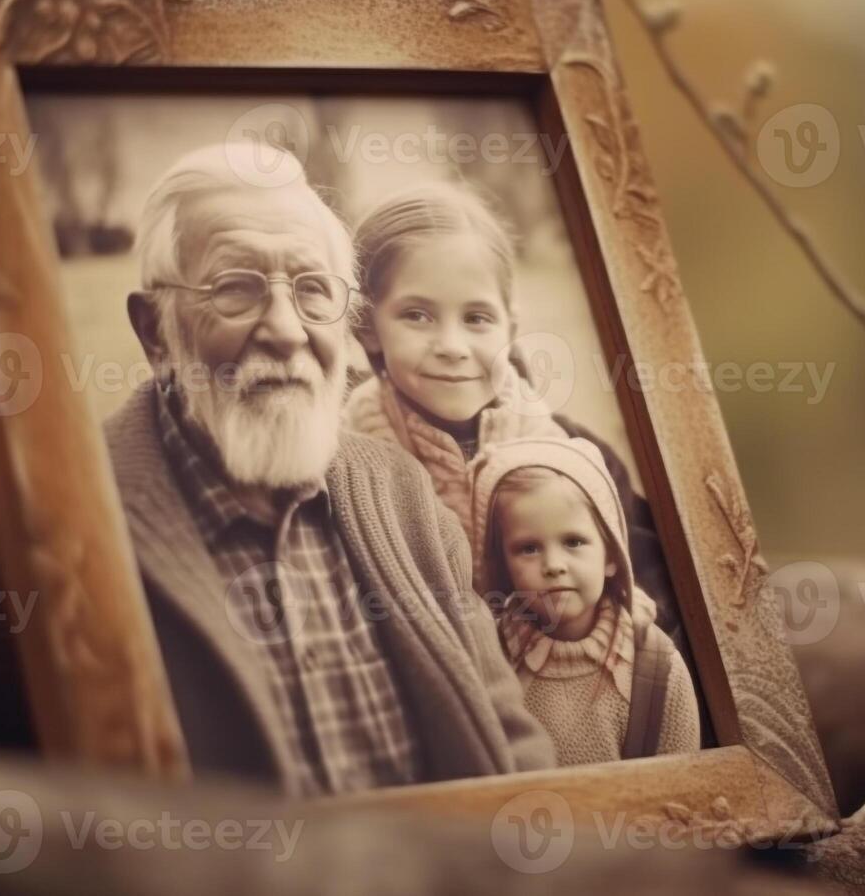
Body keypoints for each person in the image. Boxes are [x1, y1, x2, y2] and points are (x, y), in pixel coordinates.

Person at [106, 142, 553, 797]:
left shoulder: (402, 495)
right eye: (235, 289)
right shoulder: (87, 511)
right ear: (154, 332)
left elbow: (509, 743)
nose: (287, 330)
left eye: (313, 292)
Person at [340, 180, 683, 647]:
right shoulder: (344, 471)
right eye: (417, 315)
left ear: (510, 326)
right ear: (368, 327)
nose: (453, 348)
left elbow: (657, 603)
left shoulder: (578, 461)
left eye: (476, 318)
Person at [472, 437, 700, 766]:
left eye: (574, 541)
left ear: (611, 555)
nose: (553, 565)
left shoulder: (656, 667)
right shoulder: (488, 661)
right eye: (528, 548)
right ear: (504, 566)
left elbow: (686, 792)